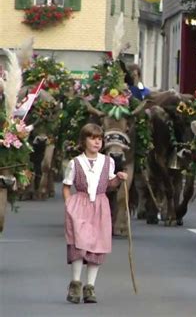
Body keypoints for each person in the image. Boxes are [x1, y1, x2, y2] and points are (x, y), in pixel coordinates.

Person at [63, 123, 128, 304]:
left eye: (99, 139)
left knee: (97, 246)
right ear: (83, 141)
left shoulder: (108, 162)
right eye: (92, 138)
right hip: (80, 205)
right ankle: (75, 284)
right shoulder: (75, 163)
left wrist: (118, 179)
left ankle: (90, 287)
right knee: (78, 245)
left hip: (100, 205)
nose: (97, 142)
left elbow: (110, 184)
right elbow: (67, 186)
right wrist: (69, 205)